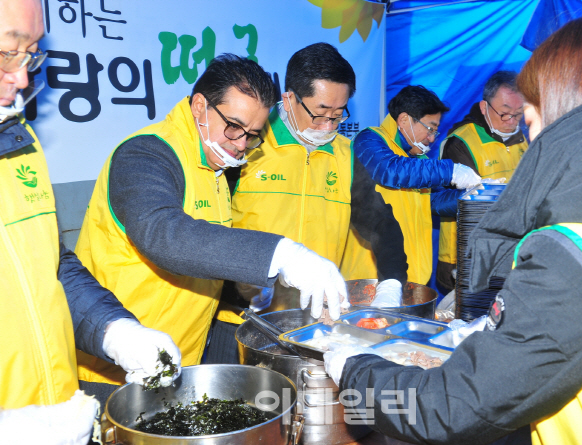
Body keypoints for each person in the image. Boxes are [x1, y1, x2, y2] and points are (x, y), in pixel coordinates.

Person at [324, 6, 582, 444]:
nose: (527, 129)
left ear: (567, 106)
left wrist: (354, 367)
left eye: (530, 112)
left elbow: (450, 406)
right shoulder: (377, 139)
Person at [74, 53, 348, 403]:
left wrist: (242, 289)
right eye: (234, 127)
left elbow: (203, 254)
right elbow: (163, 234)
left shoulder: (216, 167)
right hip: (114, 366)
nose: (239, 144)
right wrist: (282, 255)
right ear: (200, 105)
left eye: (252, 135)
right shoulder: (146, 153)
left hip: (179, 362)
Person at [0, 0, 180, 442]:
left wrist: (116, 331)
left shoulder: (20, 140)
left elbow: (49, 266)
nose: (22, 78)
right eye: (6, 53)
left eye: (32, 55)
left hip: (61, 412)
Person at [228, 42, 408, 306]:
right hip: (241, 313)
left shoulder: (345, 156)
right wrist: (233, 291)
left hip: (315, 315)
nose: (327, 126)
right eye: (320, 114)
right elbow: (210, 229)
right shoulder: (247, 143)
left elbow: (381, 223)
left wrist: (391, 283)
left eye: (337, 115)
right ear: (289, 100)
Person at [339, 85, 480, 285]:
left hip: (414, 279)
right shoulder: (369, 140)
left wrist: (475, 195)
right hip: (371, 280)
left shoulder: (419, 160)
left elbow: (431, 202)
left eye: (435, 132)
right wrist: (450, 171)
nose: (431, 138)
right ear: (404, 119)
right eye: (430, 128)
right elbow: (389, 169)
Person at [436, 71, 528, 293]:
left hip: (510, 254)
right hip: (464, 259)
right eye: (504, 114)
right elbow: (447, 203)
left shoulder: (524, 139)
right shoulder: (460, 142)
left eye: (518, 114)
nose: (511, 122)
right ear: (484, 107)